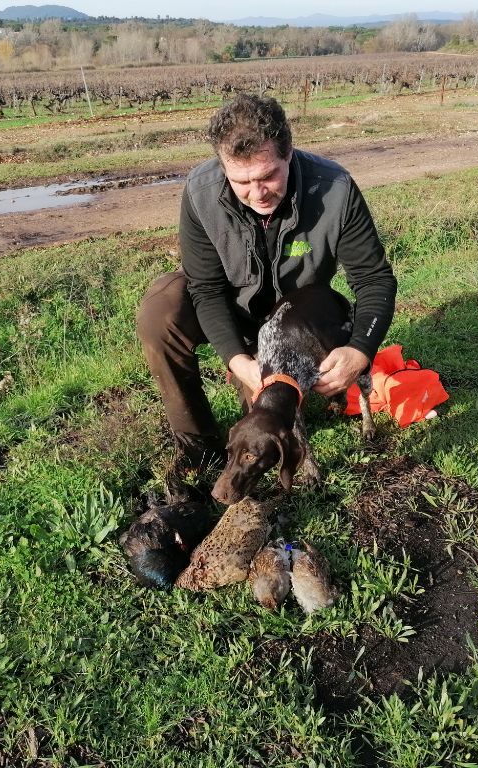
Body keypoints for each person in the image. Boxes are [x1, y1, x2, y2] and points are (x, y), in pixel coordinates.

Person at [136, 93, 397, 493]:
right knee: (161, 311)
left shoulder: (335, 190)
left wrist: (360, 350)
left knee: (261, 424)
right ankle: (198, 445)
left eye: (268, 175)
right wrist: (236, 359)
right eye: (241, 181)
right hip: (230, 313)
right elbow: (205, 289)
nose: (257, 192)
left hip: (293, 322)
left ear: (289, 152)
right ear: (223, 167)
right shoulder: (201, 193)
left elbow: (374, 279)